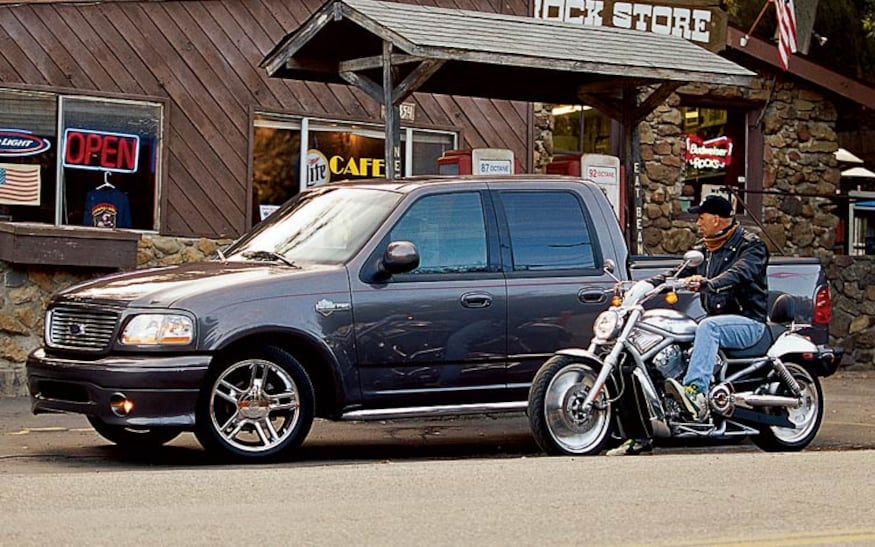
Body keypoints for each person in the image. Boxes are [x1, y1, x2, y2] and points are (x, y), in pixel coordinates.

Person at [607, 194, 769, 456]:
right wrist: (647, 285)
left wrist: (709, 282)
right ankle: (639, 432)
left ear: (716, 219)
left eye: (701, 218)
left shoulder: (751, 246)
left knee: (708, 328)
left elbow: (741, 272)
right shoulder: (706, 248)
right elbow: (678, 272)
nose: (697, 223)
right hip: (714, 319)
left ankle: (695, 393)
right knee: (666, 341)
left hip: (748, 321)